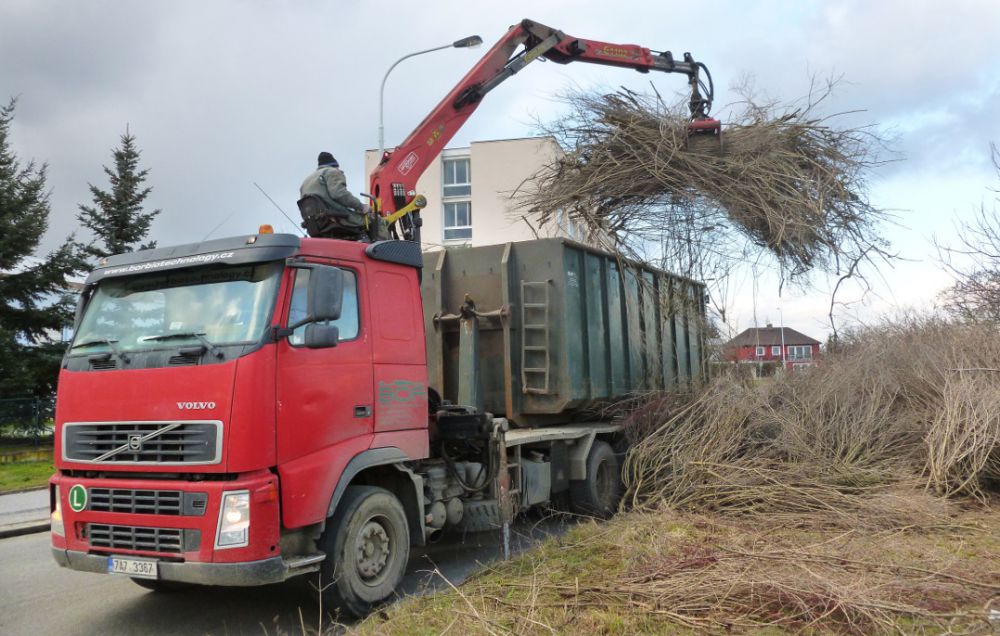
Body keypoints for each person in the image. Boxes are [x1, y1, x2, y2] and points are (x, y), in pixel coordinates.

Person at [298, 152, 384, 240]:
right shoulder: (332, 172)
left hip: (315, 224)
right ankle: (386, 251)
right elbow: (339, 194)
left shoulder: (306, 182)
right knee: (376, 220)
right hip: (336, 218)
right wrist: (361, 206)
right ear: (335, 165)